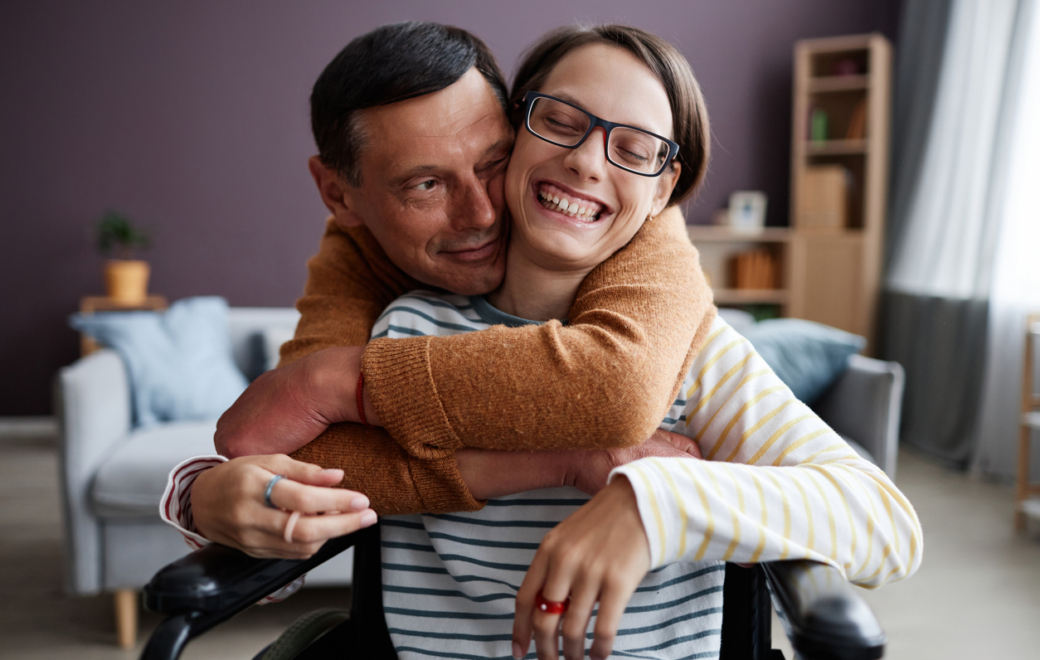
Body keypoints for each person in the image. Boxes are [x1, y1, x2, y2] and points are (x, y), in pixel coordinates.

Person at [169, 23, 923, 660]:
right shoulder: (400, 327)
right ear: (523, 120)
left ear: (664, 191)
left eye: (634, 148)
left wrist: (655, 501)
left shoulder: (690, 349)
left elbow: (882, 521)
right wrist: (201, 492)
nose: (588, 161)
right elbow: (281, 455)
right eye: (560, 121)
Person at [163, 22, 713, 559]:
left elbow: (617, 388)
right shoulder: (358, 248)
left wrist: (332, 381)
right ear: (340, 195)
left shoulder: (637, 217)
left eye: (494, 162)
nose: (481, 214)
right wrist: (564, 460)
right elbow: (302, 454)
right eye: (425, 185)